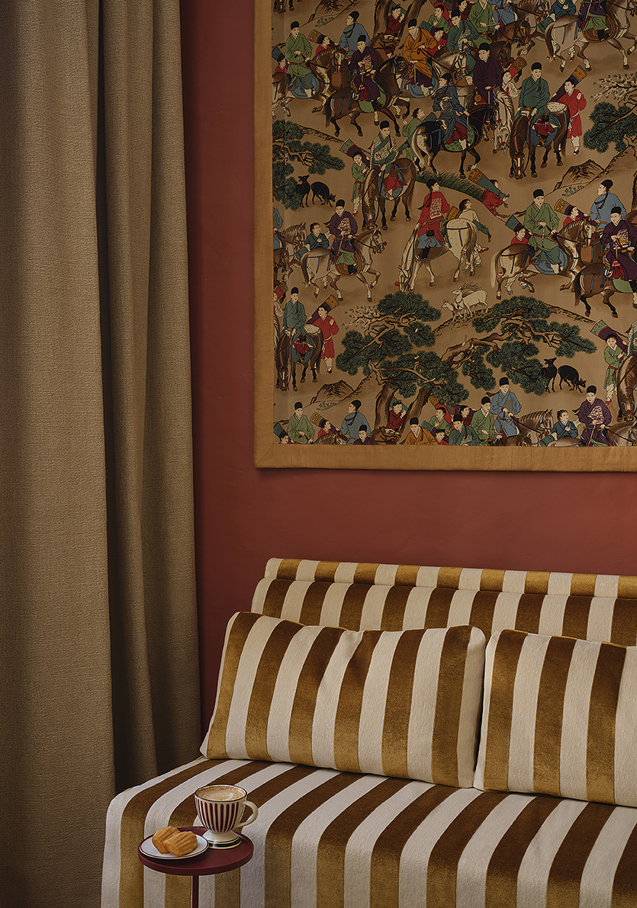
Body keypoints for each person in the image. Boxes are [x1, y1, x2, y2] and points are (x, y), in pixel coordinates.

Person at [601, 206, 637, 307]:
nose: (613, 218)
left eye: (615, 216)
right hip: (615, 252)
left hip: (627, 250)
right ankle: (635, 295)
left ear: (620, 216)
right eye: (611, 216)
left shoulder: (626, 224)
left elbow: (634, 235)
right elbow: (602, 240)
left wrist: (633, 245)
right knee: (631, 268)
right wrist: (610, 238)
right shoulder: (608, 227)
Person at [524, 189, 561, 274]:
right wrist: (538, 223)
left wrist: (554, 228)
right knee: (553, 247)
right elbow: (526, 224)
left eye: (542, 198)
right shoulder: (530, 209)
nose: (540, 201)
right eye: (538, 198)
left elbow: (554, 218)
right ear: (534, 199)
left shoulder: (547, 207)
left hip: (548, 236)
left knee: (559, 244)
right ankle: (554, 268)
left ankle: (555, 267)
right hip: (537, 237)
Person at [434, 74, 469, 149]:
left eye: (441, 80)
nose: (439, 82)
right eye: (439, 80)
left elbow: (435, 107)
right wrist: (463, 111)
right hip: (451, 117)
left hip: (442, 116)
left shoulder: (438, 92)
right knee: (464, 126)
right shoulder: (452, 89)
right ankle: (463, 145)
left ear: (446, 81)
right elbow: (455, 103)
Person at [402, 18, 438, 89]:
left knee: (425, 71)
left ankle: (427, 85)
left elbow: (433, 42)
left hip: (422, 58)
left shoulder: (423, 32)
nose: (411, 31)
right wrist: (410, 60)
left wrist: (425, 45)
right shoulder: (409, 38)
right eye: (409, 29)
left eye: (413, 28)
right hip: (412, 60)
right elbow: (405, 51)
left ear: (416, 27)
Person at [370, 122, 404, 196]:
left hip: (388, 162)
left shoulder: (392, 140)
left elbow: (395, 152)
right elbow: (372, 154)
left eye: (388, 130)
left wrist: (385, 164)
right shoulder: (376, 140)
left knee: (391, 173)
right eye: (385, 130)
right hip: (376, 163)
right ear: (380, 130)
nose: (387, 132)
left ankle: (389, 190)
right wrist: (371, 167)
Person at [556, 77, 587, 156]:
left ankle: (576, 148)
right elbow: (559, 103)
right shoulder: (564, 95)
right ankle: (559, 146)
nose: (566, 87)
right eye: (565, 85)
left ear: (573, 85)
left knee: (575, 134)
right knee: (562, 132)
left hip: (574, 117)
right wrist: (555, 98)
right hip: (565, 118)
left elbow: (582, 106)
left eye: (568, 85)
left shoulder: (577, 93)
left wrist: (579, 99)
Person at [416, 178, 451, 245]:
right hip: (441, 220)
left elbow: (425, 214)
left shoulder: (427, 197)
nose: (438, 186)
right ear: (432, 186)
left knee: (421, 234)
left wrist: (419, 223)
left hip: (432, 223)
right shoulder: (440, 194)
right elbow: (446, 208)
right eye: (436, 184)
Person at [351, 38, 382, 109]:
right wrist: (357, 64)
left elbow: (375, 59)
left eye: (361, 44)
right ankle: (374, 106)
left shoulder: (370, 50)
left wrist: (374, 69)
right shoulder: (356, 54)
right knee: (371, 86)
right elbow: (351, 66)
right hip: (361, 76)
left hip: (370, 72)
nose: (359, 46)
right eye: (358, 45)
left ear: (365, 43)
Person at [285, 22, 314, 98]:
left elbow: (308, 46)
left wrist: (308, 56)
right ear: (291, 31)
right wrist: (294, 52)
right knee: (305, 74)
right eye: (294, 30)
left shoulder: (302, 37)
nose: (296, 32)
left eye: (298, 29)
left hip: (302, 63)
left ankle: (308, 91)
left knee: (309, 72)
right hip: (293, 65)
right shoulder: (289, 40)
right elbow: (287, 54)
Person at [329, 201, 359, 273]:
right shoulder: (334, 217)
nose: (338, 211)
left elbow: (354, 225)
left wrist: (351, 234)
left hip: (348, 238)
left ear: (344, 208)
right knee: (349, 251)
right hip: (339, 240)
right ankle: (350, 270)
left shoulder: (348, 215)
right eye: (337, 209)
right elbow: (331, 229)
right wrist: (339, 232)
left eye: (340, 209)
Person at [518, 62, 550, 128]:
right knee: (516, 121)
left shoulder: (544, 83)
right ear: (531, 72)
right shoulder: (525, 82)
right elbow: (522, 95)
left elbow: (545, 97)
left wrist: (536, 108)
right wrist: (520, 105)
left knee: (540, 123)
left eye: (539, 72)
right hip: (525, 108)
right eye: (536, 72)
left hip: (539, 108)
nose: (538, 74)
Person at [311, 303, 339, 373]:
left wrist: (332, 325)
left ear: (326, 311)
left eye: (321, 310)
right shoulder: (318, 320)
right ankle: (314, 366)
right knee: (316, 353)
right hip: (319, 341)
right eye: (319, 310)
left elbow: (335, 331)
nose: (319, 312)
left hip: (327, 340)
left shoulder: (330, 319)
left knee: (328, 355)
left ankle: (329, 369)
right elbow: (313, 328)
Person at [472, 44, 503, 108]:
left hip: (494, 87)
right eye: (479, 53)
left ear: (488, 52)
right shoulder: (478, 64)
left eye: (483, 53)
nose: (481, 55)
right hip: (482, 88)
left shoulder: (493, 62)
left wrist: (498, 85)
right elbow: (476, 79)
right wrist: (484, 86)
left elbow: (498, 75)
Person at [603, 334, 626, 402]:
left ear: (616, 341)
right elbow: (608, 360)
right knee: (610, 384)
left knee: (619, 384)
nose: (611, 343)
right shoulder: (607, 350)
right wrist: (617, 357)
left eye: (613, 341)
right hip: (611, 370)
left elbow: (627, 353)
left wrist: (626, 345)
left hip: (620, 369)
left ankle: (620, 397)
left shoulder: (620, 348)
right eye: (609, 341)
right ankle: (608, 397)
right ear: (606, 342)